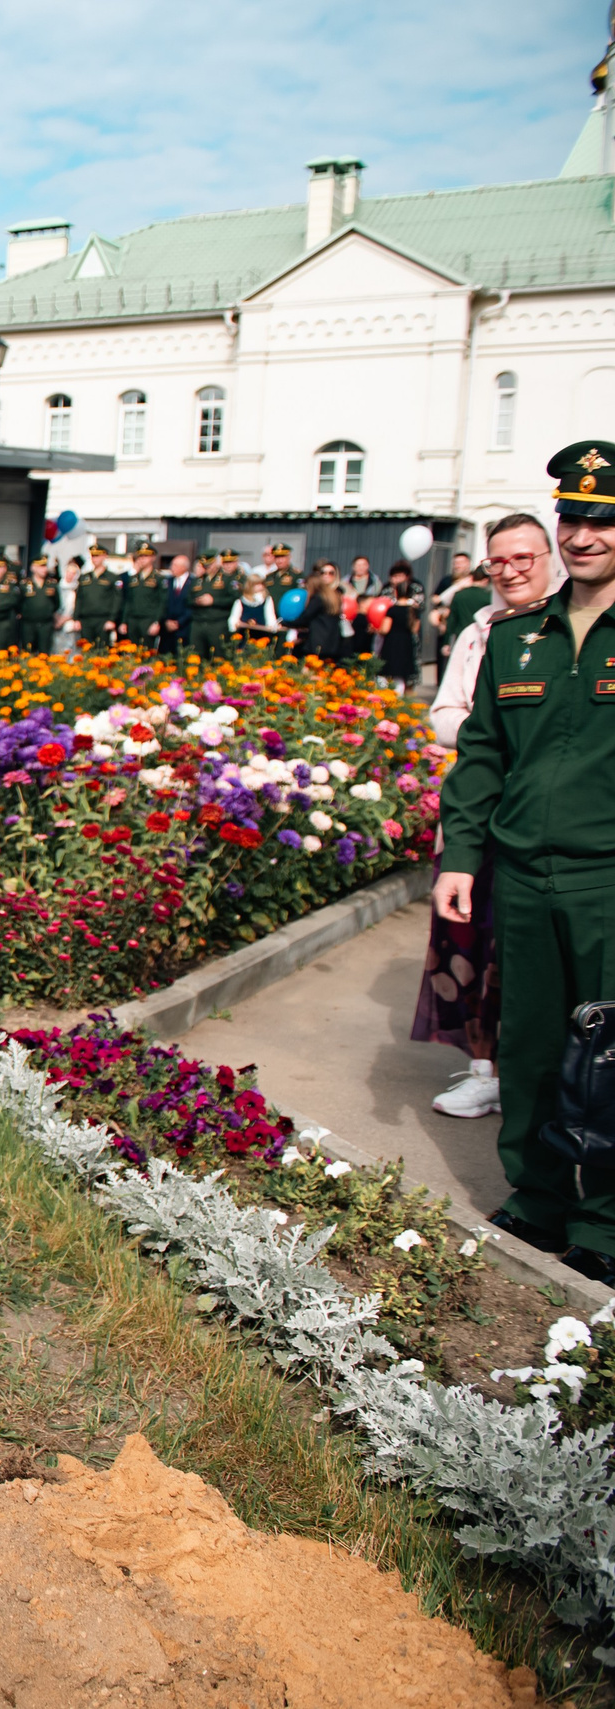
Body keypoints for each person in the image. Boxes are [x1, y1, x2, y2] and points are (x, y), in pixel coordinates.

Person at [436, 442, 615, 1283]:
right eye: (572, 518)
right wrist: (461, 857)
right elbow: (481, 756)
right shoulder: (517, 638)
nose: (583, 535)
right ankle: (538, 1196)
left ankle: (604, 1219)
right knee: (532, 1041)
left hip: (607, 877)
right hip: (524, 876)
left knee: (610, 1051)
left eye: (601, 520)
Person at [418, 514, 557, 1120]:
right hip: (479, 810)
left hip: (547, 818)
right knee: (470, 943)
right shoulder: (480, 631)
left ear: (549, 558)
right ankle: (484, 1070)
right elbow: (443, 715)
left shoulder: (575, 625)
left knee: (534, 954)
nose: (511, 571)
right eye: (498, 561)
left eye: (524, 558)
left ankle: (547, 1078)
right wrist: (493, 723)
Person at [376, 562, 422, 684]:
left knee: (390, 674)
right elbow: (415, 629)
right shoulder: (414, 610)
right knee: (402, 676)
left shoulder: (392, 610)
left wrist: (378, 629)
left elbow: (385, 629)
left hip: (392, 643)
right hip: (407, 644)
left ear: (395, 592)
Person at [119, 547, 168, 648]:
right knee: (131, 650)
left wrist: (157, 622)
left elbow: (162, 602)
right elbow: (128, 601)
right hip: (133, 620)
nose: (142, 559)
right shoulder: (133, 578)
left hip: (148, 619)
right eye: (140, 556)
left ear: (153, 558)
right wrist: (124, 621)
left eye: (145, 556)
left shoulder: (158, 578)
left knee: (147, 650)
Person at [182, 552, 229, 656]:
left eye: (209, 565)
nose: (206, 568)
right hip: (198, 622)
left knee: (218, 654)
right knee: (196, 653)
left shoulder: (226, 579)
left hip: (217, 622)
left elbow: (232, 599)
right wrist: (197, 601)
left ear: (216, 563)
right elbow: (188, 599)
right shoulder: (197, 580)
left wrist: (214, 601)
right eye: (204, 565)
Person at [69, 550, 118, 648]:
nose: (95, 559)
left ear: (104, 556)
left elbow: (116, 600)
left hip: (103, 619)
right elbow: (79, 599)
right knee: (86, 649)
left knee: (102, 650)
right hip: (86, 620)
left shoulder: (112, 577)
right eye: (93, 556)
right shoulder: (84, 577)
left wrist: (112, 619)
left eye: (97, 556)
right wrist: (76, 619)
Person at [18, 557, 60, 654]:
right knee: (27, 652)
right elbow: (18, 602)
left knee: (45, 652)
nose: (44, 569)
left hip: (46, 624)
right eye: (41, 566)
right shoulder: (24, 584)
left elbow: (57, 603)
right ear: (33, 568)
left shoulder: (51, 584)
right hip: (28, 624)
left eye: (45, 566)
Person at [227, 575, 282, 648]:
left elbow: (270, 616)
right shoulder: (241, 601)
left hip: (262, 637)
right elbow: (234, 618)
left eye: (261, 584)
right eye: (257, 585)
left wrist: (273, 627)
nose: (260, 587)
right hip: (245, 636)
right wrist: (236, 624)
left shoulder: (267, 600)